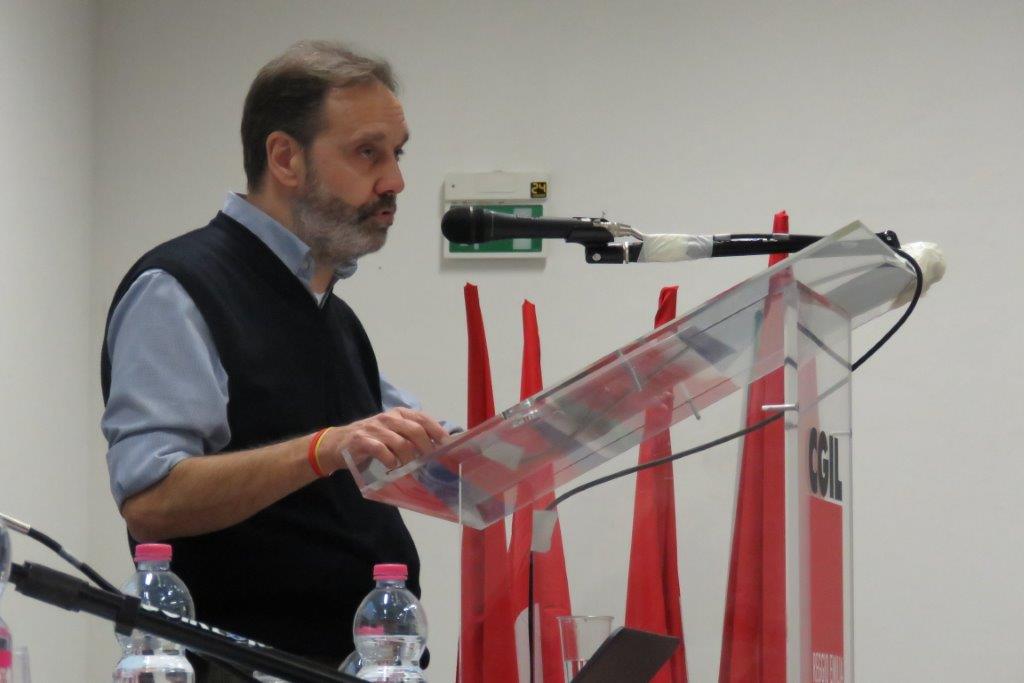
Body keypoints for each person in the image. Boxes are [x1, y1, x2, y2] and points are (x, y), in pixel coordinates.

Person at [100, 40, 448, 680]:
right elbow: (150, 498)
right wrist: (324, 449)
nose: (394, 181)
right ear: (286, 157)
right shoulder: (179, 288)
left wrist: (539, 438)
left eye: (397, 154)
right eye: (367, 152)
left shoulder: (332, 316)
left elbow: (413, 449)